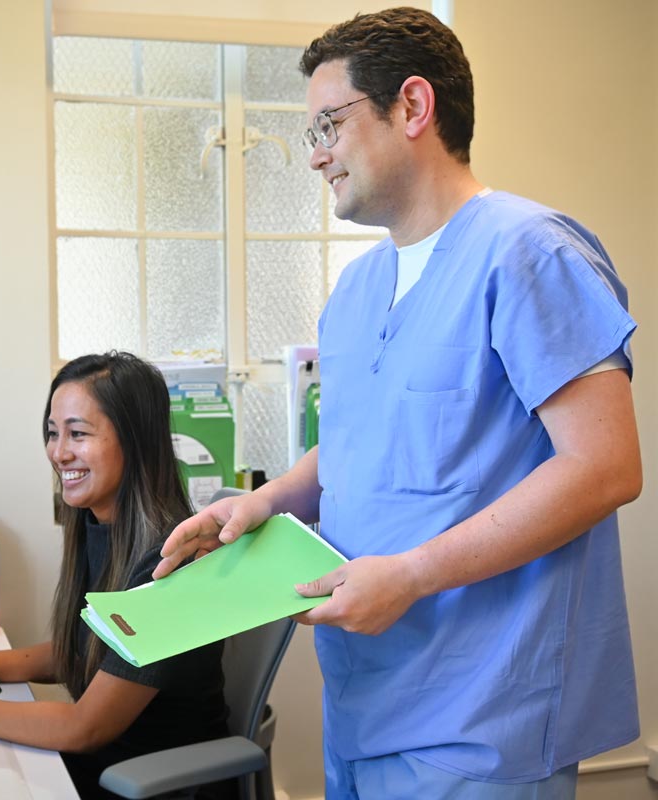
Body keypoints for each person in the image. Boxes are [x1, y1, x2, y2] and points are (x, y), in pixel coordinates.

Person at [153, 8, 641, 799]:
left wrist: (413, 574)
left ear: (413, 107)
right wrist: (265, 502)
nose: (316, 158)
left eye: (328, 126)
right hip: (365, 703)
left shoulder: (528, 253)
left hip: (483, 717)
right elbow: (366, 442)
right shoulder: (357, 291)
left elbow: (605, 467)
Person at [0, 351, 235, 800]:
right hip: (105, 768)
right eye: (53, 433)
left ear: (136, 440)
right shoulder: (101, 525)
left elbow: (85, 727)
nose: (59, 452)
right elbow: (88, 650)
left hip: (151, 785)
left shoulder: (172, 561)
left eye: (78, 434)